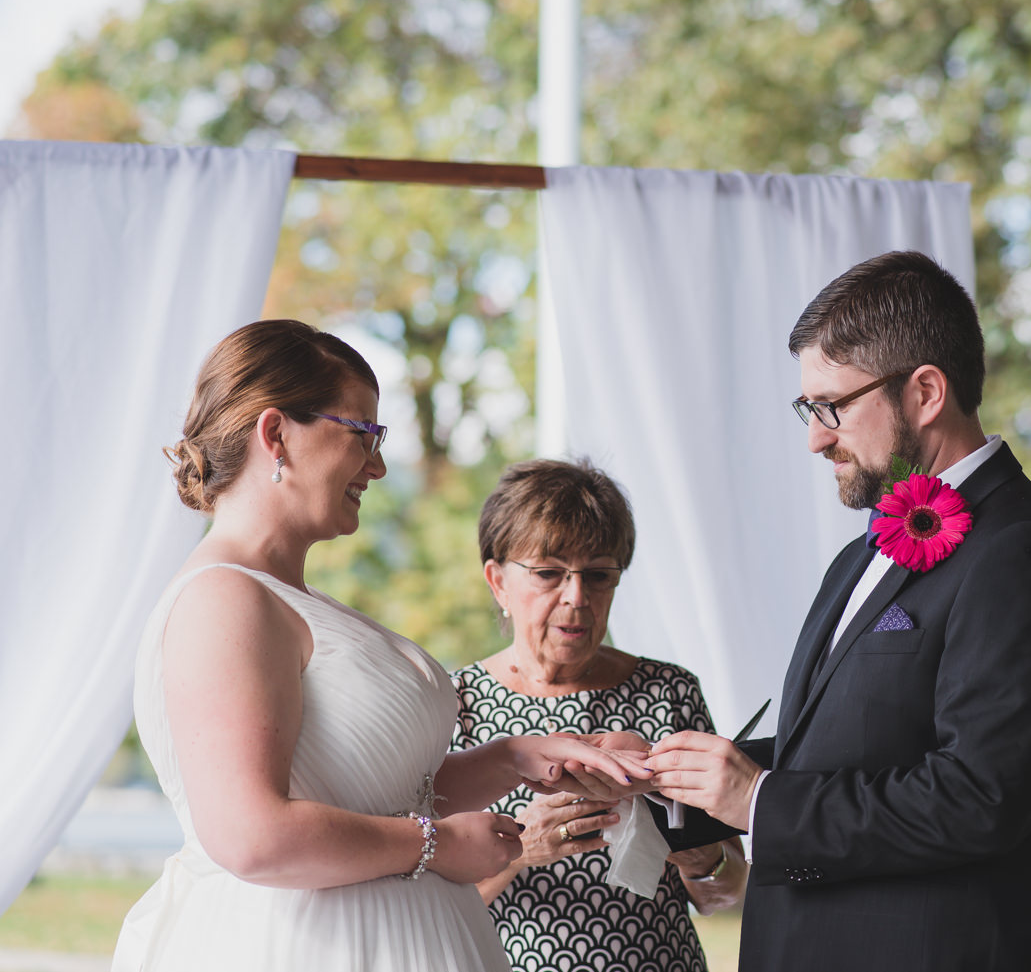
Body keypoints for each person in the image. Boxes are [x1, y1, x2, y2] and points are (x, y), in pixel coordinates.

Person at [113, 320, 648, 972]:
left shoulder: (286, 597)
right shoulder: (223, 601)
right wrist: (436, 846)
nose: (379, 464)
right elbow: (251, 836)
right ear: (276, 433)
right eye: (364, 433)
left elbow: (377, 795)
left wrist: (514, 757)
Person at [647, 250, 1031, 970]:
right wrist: (667, 778)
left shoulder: (1023, 553)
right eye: (809, 409)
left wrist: (761, 800)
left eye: (831, 406)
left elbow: (978, 796)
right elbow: (843, 754)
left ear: (925, 391)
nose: (815, 436)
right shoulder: (861, 555)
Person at [450, 458, 747, 972]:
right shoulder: (456, 704)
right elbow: (418, 900)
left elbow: (728, 892)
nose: (577, 597)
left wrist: (694, 851)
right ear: (498, 581)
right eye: (548, 573)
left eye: (599, 575)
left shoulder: (668, 691)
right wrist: (519, 849)